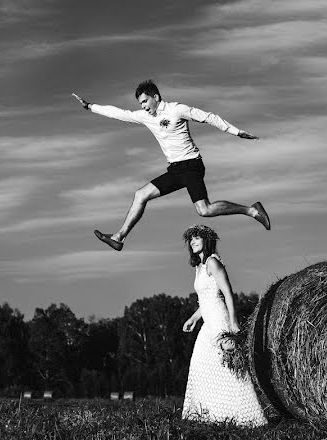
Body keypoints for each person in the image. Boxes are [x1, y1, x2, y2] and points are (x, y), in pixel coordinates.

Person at [72, 80, 270, 251]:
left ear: (156, 97)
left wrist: (236, 132)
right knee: (140, 195)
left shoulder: (177, 109)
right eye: (140, 103)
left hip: (192, 165)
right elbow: (119, 113)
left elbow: (209, 117)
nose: (143, 107)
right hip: (175, 169)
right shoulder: (145, 117)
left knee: (204, 210)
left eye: (145, 101)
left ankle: (252, 210)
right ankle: (119, 237)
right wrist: (90, 107)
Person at [180, 224, 267, 427]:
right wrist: (194, 318)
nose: (193, 242)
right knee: (201, 366)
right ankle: (209, 414)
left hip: (219, 321)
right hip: (207, 322)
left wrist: (233, 322)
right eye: (191, 239)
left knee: (229, 367)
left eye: (197, 238)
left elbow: (227, 293)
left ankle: (246, 416)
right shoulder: (199, 266)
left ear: (207, 241)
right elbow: (206, 298)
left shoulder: (212, 262)